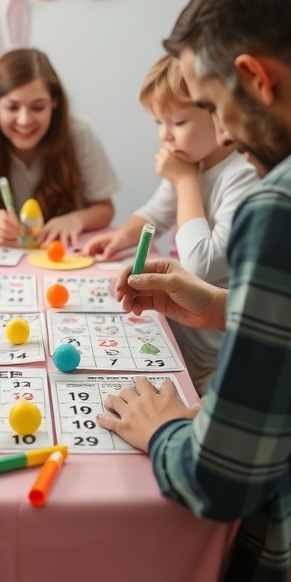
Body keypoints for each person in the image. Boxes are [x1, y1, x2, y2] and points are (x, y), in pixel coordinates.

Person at [97, 0, 291, 582]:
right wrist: (223, 305)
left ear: (257, 79)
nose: (217, 130)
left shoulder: (284, 200)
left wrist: (163, 428)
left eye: (213, 106)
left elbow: (219, 479)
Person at [83, 54, 257, 393]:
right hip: (180, 338)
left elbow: (201, 266)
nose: (166, 136)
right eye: (158, 123)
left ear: (219, 113)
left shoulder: (242, 175)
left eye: (178, 122)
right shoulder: (193, 160)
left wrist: (185, 182)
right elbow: (155, 213)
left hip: (217, 360)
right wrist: (119, 237)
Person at [0, 47, 120, 248]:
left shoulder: (79, 135)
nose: (24, 120)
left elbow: (104, 208)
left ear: (54, 103)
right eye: (12, 107)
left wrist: (76, 220)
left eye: (38, 107)